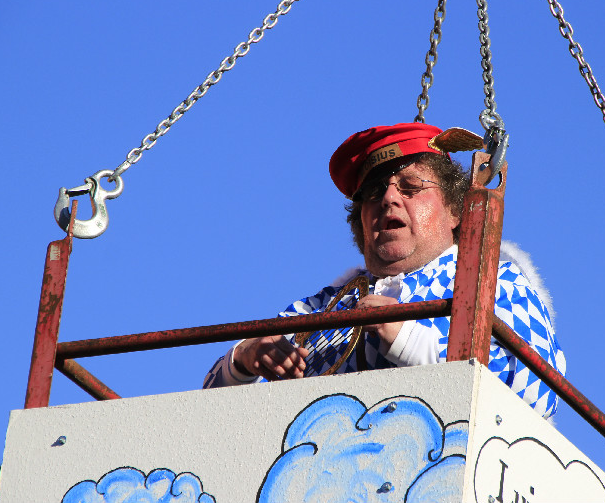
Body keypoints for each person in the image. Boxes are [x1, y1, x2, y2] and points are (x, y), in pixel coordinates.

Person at [203, 123, 566, 419]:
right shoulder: (320, 308)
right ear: (360, 221)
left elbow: (539, 391)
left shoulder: (494, 281)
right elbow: (207, 412)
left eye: (411, 187)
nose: (389, 198)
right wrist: (243, 359)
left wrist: (411, 342)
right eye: (374, 193)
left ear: (455, 210)